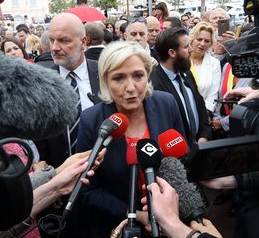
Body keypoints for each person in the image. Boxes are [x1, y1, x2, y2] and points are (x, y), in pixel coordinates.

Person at [75, 41, 185, 237]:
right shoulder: (91, 120)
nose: (131, 88)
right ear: (105, 81)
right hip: (119, 226)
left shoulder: (166, 104)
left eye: (138, 76)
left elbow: (183, 161)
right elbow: (86, 190)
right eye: (118, 78)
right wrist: (136, 215)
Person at [35, 12, 101, 168]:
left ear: (83, 42)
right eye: (52, 40)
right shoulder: (41, 82)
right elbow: (38, 134)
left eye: (64, 41)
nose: (55, 48)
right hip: (61, 177)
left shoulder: (104, 73)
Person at [150, 27, 213, 147]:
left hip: (200, 148)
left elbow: (200, 106)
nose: (191, 49)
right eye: (185, 47)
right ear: (172, 53)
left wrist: (204, 136)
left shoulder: (187, 73)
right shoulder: (154, 83)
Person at [189, 22, 221, 112]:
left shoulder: (214, 63)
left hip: (204, 113)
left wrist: (204, 113)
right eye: (199, 39)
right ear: (192, 39)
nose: (202, 44)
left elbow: (213, 93)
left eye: (207, 41)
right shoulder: (181, 60)